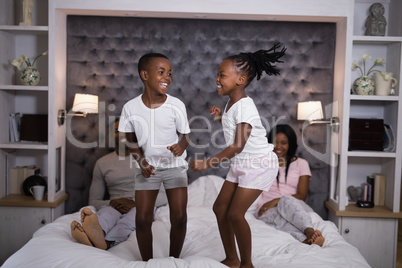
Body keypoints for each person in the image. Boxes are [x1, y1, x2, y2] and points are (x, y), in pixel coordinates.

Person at [190, 43, 286, 268]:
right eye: (217, 75)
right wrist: (219, 119)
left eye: (222, 75)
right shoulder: (231, 103)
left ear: (240, 80)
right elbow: (237, 130)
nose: (217, 79)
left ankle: (247, 264)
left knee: (235, 214)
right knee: (219, 208)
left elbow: (237, 145)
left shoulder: (245, 105)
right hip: (242, 162)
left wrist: (207, 163)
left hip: (258, 164)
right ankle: (232, 258)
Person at [118, 53, 190, 261]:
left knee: (179, 217)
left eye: (169, 73)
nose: (167, 77)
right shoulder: (130, 107)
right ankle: (146, 263)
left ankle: (173, 260)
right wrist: (141, 162)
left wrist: (180, 146)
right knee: (142, 219)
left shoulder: (176, 105)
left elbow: (186, 136)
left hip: (175, 166)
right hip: (147, 168)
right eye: (161, 72)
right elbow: (129, 140)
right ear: (145, 75)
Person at [70, 118, 137, 250]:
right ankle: (94, 234)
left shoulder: (148, 160)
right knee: (105, 215)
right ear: (112, 135)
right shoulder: (102, 163)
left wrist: (135, 202)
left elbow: (163, 196)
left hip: (142, 205)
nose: (121, 134)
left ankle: (105, 243)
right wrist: (111, 203)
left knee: (128, 221)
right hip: (114, 204)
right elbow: (94, 201)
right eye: (117, 131)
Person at [255, 124, 325, 247]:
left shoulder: (301, 164)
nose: (278, 146)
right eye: (275, 142)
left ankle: (309, 232)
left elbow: (302, 195)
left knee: (286, 199)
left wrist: (277, 200)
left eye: (283, 143)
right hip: (268, 209)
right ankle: (307, 241)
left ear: (290, 144)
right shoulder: (263, 164)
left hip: (294, 204)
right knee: (280, 220)